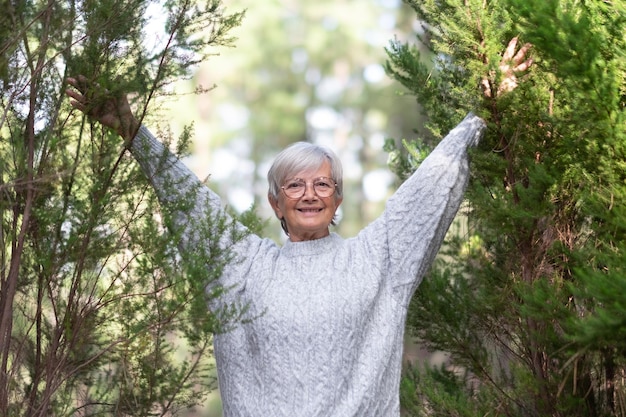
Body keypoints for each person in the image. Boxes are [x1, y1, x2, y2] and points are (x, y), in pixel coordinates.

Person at [66, 37, 531, 417]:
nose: (309, 194)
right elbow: (190, 201)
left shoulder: (377, 258)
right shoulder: (240, 264)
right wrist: (132, 131)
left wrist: (480, 117)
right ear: (275, 203)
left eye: (323, 183)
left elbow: (426, 193)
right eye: (294, 185)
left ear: (338, 198)